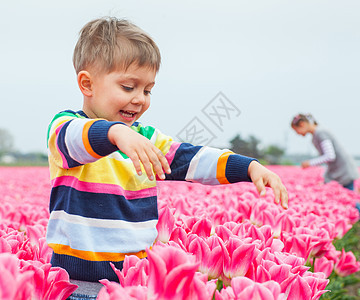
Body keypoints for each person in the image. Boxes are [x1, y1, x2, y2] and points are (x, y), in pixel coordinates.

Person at [46, 17, 288, 299]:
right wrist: (117, 134)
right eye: (128, 87)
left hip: (136, 283)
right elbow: (79, 136)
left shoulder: (145, 140)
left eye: (147, 90)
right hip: (80, 286)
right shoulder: (66, 128)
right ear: (87, 84)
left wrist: (248, 167)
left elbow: (192, 158)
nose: (140, 99)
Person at [291, 113, 360, 229]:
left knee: (352, 202)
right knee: (350, 202)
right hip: (339, 172)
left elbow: (330, 156)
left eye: (297, 130)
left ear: (302, 124)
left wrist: (310, 163)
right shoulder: (316, 135)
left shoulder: (320, 133)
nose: (298, 134)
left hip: (344, 172)